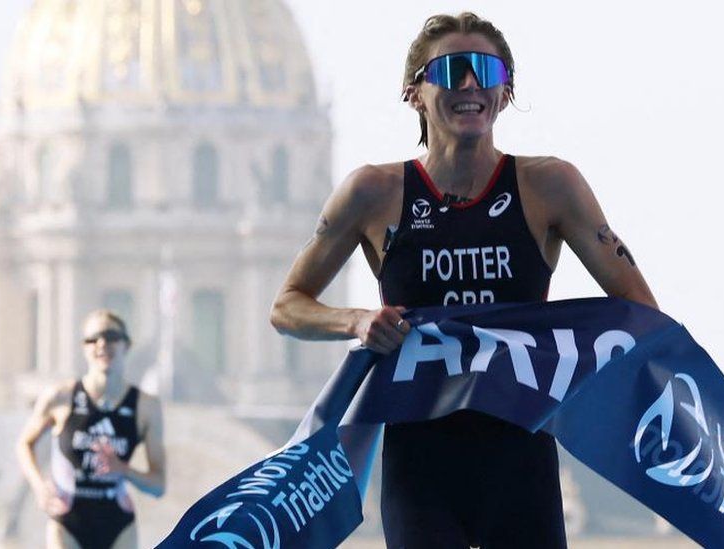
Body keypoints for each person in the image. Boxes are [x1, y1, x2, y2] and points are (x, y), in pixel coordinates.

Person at [270, 12, 657, 548]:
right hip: (420, 464)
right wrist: (357, 322)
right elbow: (287, 306)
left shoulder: (550, 185)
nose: (470, 84)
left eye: (486, 70)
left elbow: (640, 312)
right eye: (452, 71)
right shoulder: (373, 191)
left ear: (505, 93)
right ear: (415, 94)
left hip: (520, 458)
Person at [16, 309, 166, 549]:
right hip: (67, 521)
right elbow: (24, 444)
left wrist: (123, 469)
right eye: (92, 339)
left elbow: (158, 486)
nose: (102, 344)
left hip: (118, 524)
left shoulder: (145, 406)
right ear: (84, 348)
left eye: (111, 336)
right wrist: (39, 485)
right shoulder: (60, 397)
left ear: (126, 345)